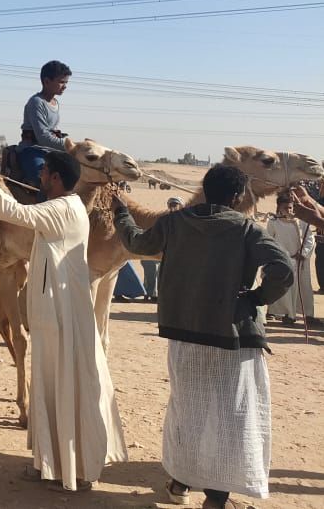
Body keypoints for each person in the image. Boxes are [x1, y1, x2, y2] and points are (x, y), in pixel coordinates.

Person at [112, 164, 293, 509]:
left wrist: (121, 213)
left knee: (188, 411)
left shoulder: (174, 222)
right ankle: (216, 498)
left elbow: (136, 241)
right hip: (231, 338)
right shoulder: (246, 229)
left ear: (206, 190)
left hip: (184, 335)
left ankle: (180, 483)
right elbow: (282, 269)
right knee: (229, 416)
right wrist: (256, 298)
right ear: (238, 196)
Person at [0, 150, 126, 491]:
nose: (40, 176)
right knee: (48, 387)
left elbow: (15, 212)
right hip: (53, 316)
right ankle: (47, 463)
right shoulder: (67, 206)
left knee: (64, 388)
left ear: (57, 178)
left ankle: (75, 471)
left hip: (63, 317)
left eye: (45, 171)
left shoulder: (63, 209)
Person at [266, 191, 317, 327]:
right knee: (284, 289)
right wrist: (283, 256)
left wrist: (303, 253)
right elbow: (270, 241)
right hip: (283, 261)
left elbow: (310, 239)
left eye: (290, 207)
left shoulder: (301, 222)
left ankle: (308, 315)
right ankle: (288, 315)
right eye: (285, 208)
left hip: (300, 262)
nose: (288, 211)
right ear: (279, 208)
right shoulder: (273, 222)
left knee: (303, 288)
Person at [17, 60, 73, 186]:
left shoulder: (55, 103)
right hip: (32, 150)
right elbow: (43, 137)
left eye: (66, 82)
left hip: (49, 151)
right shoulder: (36, 102)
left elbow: (53, 131)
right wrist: (70, 146)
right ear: (47, 81)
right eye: (61, 82)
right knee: (43, 180)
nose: (65, 86)